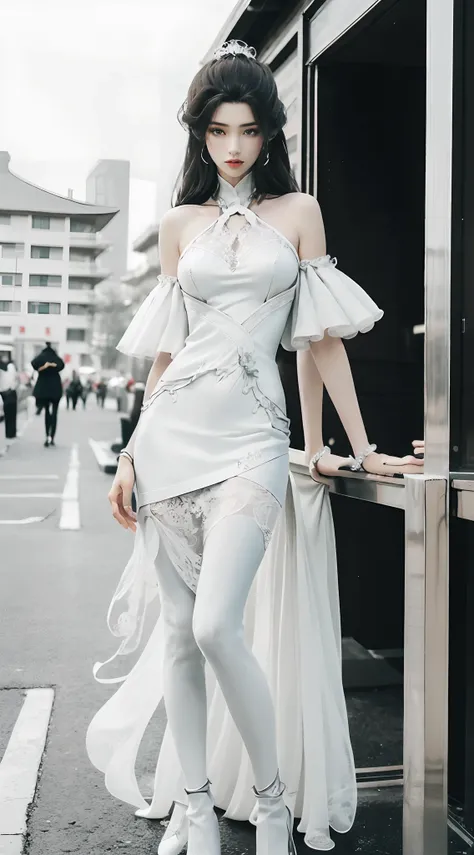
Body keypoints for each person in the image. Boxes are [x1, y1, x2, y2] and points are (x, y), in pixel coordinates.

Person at [86, 41, 424, 854]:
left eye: (247, 129)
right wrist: (132, 451)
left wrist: (359, 445)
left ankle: (271, 800)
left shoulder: (299, 213)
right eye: (217, 130)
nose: (233, 145)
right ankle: (196, 804)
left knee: (212, 625)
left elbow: (321, 341)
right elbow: (168, 350)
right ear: (200, 137)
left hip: (252, 441)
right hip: (172, 439)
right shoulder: (178, 225)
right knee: (178, 630)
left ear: (269, 134)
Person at [31, 343, 65, 447]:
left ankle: (47, 436)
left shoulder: (40, 358)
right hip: (55, 389)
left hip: (44, 390)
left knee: (47, 413)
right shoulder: (56, 358)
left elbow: (33, 363)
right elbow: (62, 365)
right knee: (55, 413)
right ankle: (52, 436)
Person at [0, 353, 18, 444]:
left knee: (9, 414)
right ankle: (11, 433)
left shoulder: (7, 367)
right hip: (9, 392)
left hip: (6, 392)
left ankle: (10, 433)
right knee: (11, 413)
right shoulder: (10, 366)